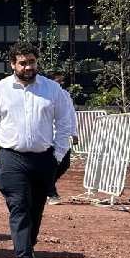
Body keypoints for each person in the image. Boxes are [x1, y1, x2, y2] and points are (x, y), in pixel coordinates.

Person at [0, 43, 75, 258]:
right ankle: (22, 257)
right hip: (12, 157)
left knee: (36, 206)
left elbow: (65, 124)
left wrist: (57, 155)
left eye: (31, 61)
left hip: (44, 158)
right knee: (19, 204)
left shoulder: (52, 90)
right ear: (12, 64)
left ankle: (29, 244)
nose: (27, 67)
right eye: (22, 62)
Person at [46, 72, 79, 205]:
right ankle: (51, 193)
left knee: (65, 163)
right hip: (47, 136)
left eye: (61, 81)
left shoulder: (65, 95)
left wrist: (74, 133)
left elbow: (71, 114)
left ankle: (46, 186)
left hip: (62, 135)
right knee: (51, 165)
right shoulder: (44, 95)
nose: (60, 83)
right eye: (57, 80)